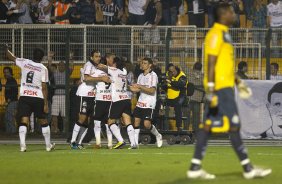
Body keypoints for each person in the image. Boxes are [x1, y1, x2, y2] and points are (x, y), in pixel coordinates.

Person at [187, 3, 271, 180]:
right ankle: (248, 169)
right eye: (232, 12)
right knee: (233, 126)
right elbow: (210, 62)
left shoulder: (224, 33)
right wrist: (211, 90)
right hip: (220, 90)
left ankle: (195, 166)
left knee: (209, 126)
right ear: (224, 14)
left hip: (224, 87)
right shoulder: (216, 34)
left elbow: (224, 65)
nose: (235, 15)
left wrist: (238, 82)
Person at [6, 46, 54, 152]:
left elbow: (11, 57)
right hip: (37, 97)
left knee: (24, 120)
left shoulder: (25, 62)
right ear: (42, 58)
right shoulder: (43, 68)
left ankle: (23, 145)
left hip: (25, 96)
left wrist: (6, 49)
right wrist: (45, 104)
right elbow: (44, 87)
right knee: (43, 121)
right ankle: (48, 145)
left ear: (33, 55)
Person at [69, 50, 109, 149]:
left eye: (99, 56)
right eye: (96, 56)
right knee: (82, 119)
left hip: (92, 96)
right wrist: (101, 79)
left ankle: (79, 143)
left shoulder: (97, 67)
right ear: (91, 57)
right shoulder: (88, 65)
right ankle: (73, 141)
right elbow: (86, 79)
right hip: (84, 94)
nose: (98, 58)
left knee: (88, 121)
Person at [98, 56, 137, 149]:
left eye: (112, 61)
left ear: (115, 63)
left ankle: (120, 141)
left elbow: (101, 66)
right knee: (128, 122)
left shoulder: (114, 70)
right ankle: (133, 143)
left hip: (118, 100)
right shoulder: (124, 71)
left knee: (110, 121)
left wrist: (101, 63)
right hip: (126, 99)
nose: (110, 62)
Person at [130, 57, 163, 148]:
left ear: (150, 65)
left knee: (146, 124)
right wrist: (129, 88)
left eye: (144, 63)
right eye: (142, 63)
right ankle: (135, 144)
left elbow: (152, 91)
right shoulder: (140, 76)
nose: (142, 64)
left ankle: (158, 135)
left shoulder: (153, 76)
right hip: (140, 102)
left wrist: (140, 86)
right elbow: (137, 89)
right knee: (136, 122)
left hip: (149, 103)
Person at [93, 53, 115, 149]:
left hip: (105, 99)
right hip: (105, 99)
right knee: (102, 122)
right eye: (112, 58)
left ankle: (104, 143)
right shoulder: (113, 71)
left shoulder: (98, 72)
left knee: (103, 122)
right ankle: (104, 143)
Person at [50, 61, 73, 133]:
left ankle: (65, 129)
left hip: (64, 96)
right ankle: (56, 129)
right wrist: (50, 58)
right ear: (58, 66)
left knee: (64, 115)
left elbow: (72, 68)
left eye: (63, 65)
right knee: (54, 114)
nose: (61, 66)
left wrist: (71, 58)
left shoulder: (66, 73)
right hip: (56, 95)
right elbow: (49, 67)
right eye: (60, 65)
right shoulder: (55, 73)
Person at [165, 63, 188, 131]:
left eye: (173, 71)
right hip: (169, 97)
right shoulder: (167, 75)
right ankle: (154, 125)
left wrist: (171, 81)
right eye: (171, 71)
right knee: (158, 102)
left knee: (177, 105)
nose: (173, 73)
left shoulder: (182, 76)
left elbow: (180, 84)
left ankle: (179, 126)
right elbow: (164, 85)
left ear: (176, 69)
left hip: (181, 96)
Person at [3, 67, 18, 134]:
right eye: (5, 72)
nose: (6, 74)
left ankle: (12, 132)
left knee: (9, 117)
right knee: (7, 117)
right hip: (11, 102)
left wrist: (8, 100)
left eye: (7, 72)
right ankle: (10, 131)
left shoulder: (12, 80)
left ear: (11, 72)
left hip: (13, 102)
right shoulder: (9, 80)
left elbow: (15, 92)